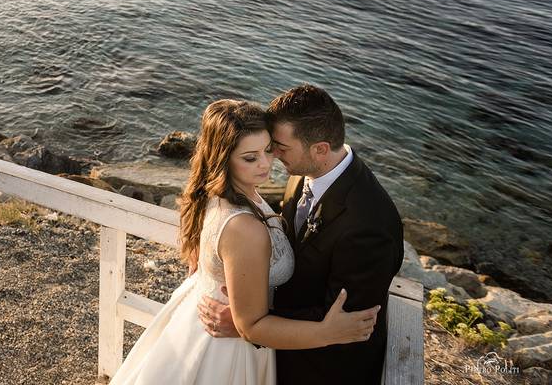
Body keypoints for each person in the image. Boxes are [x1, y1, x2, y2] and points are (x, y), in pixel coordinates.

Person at [109, 99, 380, 385]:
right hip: (226, 350)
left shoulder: (217, 191)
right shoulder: (244, 228)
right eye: (250, 158)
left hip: (200, 320)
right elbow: (250, 326)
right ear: (224, 159)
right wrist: (328, 333)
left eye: (267, 150)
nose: (266, 164)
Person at [198, 85, 405, 384]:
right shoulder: (305, 173)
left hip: (323, 369)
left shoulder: (369, 225)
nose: (272, 156)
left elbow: (346, 321)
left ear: (320, 148)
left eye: (279, 147)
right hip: (274, 353)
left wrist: (252, 321)